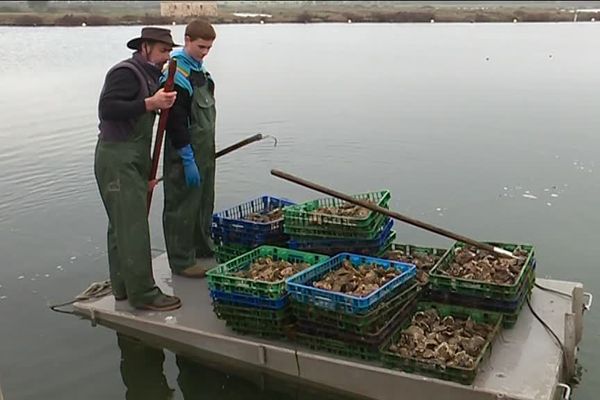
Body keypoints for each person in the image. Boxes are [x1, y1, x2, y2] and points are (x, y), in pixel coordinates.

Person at [95, 27, 182, 311]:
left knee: (121, 224)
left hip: (133, 158)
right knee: (131, 226)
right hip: (117, 158)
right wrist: (151, 103)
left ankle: (122, 287)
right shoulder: (125, 72)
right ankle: (143, 294)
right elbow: (108, 109)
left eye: (169, 51)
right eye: (162, 51)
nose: (166, 56)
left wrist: (145, 172)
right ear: (145, 48)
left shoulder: (151, 75)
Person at [161, 20, 217, 278]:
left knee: (203, 201)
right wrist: (186, 157)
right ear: (187, 40)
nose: (204, 52)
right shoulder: (176, 74)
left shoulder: (201, 72)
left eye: (209, 47)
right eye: (200, 46)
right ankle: (182, 261)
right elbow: (175, 122)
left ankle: (202, 248)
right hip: (183, 152)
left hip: (205, 151)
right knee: (182, 206)